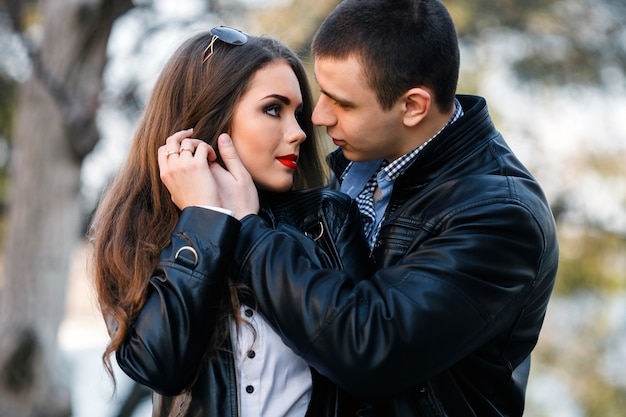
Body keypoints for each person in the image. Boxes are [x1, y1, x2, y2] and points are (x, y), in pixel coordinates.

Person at [200, 1, 560, 416]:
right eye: (322, 94)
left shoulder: (500, 215)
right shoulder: (360, 168)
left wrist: (248, 229)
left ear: (413, 106)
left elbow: (369, 347)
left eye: (343, 104)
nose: (317, 117)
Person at [89, 26, 372, 416]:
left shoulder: (327, 220)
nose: (299, 133)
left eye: (298, 114)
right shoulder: (135, 235)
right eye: (273, 109)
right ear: (213, 115)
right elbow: (159, 367)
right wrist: (204, 218)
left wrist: (247, 226)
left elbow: (363, 363)